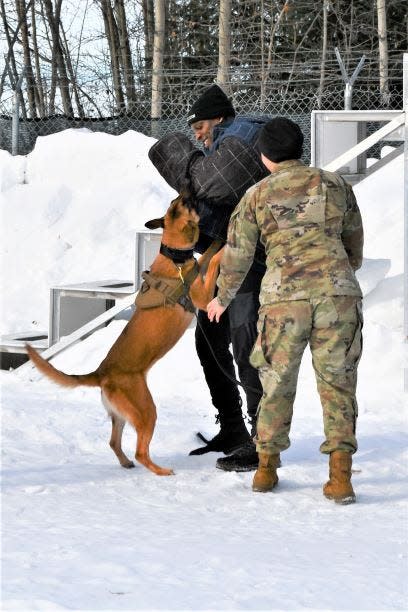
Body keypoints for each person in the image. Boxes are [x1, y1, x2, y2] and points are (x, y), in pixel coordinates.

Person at [208, 117, 363, 504]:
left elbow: (238, 256)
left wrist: (221, 298)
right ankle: (340, 478)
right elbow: (353, 240)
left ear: (264, 156)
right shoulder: (335, 184)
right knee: (337, 384)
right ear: (300, 149)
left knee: (276, 383)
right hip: (337, 296)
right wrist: (343, 272)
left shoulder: (256, 196)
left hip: (283, 301)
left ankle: (266, 469)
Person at [148, 84, 267, 470]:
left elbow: (211, 182)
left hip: (251, 261)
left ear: (218, 117)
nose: (198, 133)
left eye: (200, 125)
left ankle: (261, 438)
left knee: (245, 341)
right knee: (209, 341)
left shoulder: (242, 137)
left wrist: (186, 172)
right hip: (222, 257)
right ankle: (233, 426)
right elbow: (202, 184)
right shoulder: (221, 144)